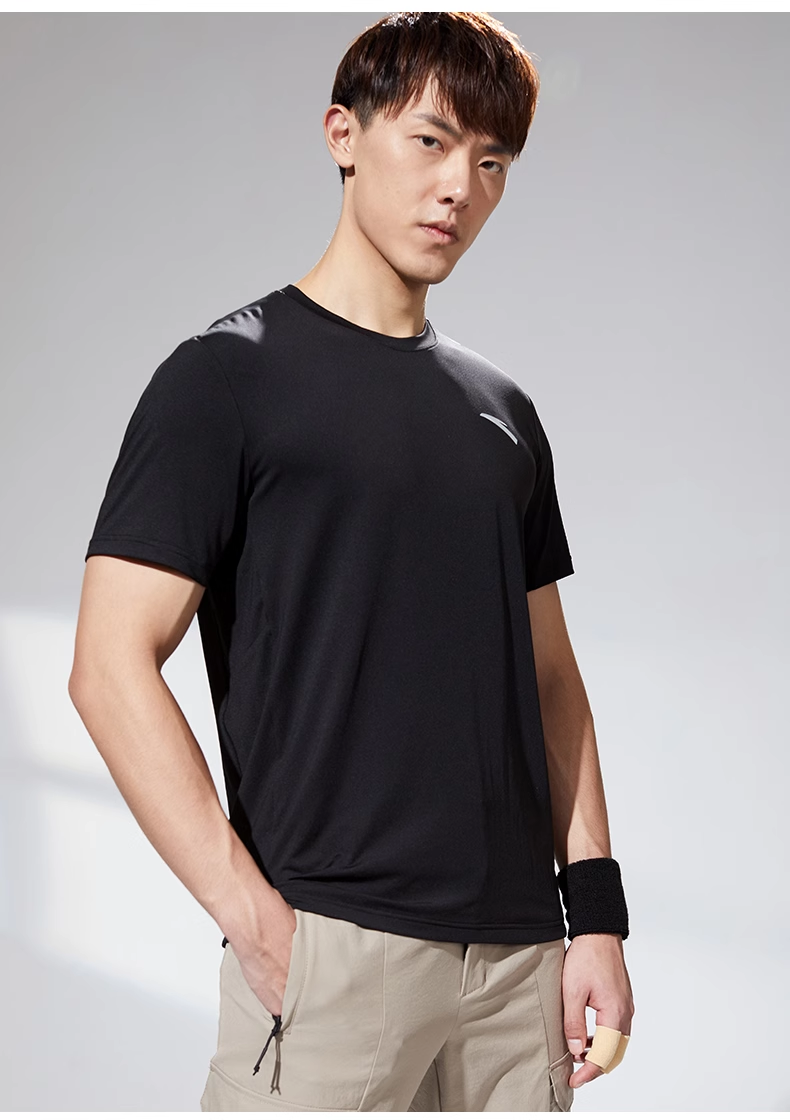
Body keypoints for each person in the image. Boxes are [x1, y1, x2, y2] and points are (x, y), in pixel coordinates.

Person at [69, 11, 634, 1113]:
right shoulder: (225, 379)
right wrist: (256, 924)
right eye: (430, 141)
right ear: (343, 134)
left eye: (491, 163)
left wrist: (597, 918)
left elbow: (552, 684)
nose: (458, 188)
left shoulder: (503, 414)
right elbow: (107, 665)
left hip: (518, 963)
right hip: (334, 948)